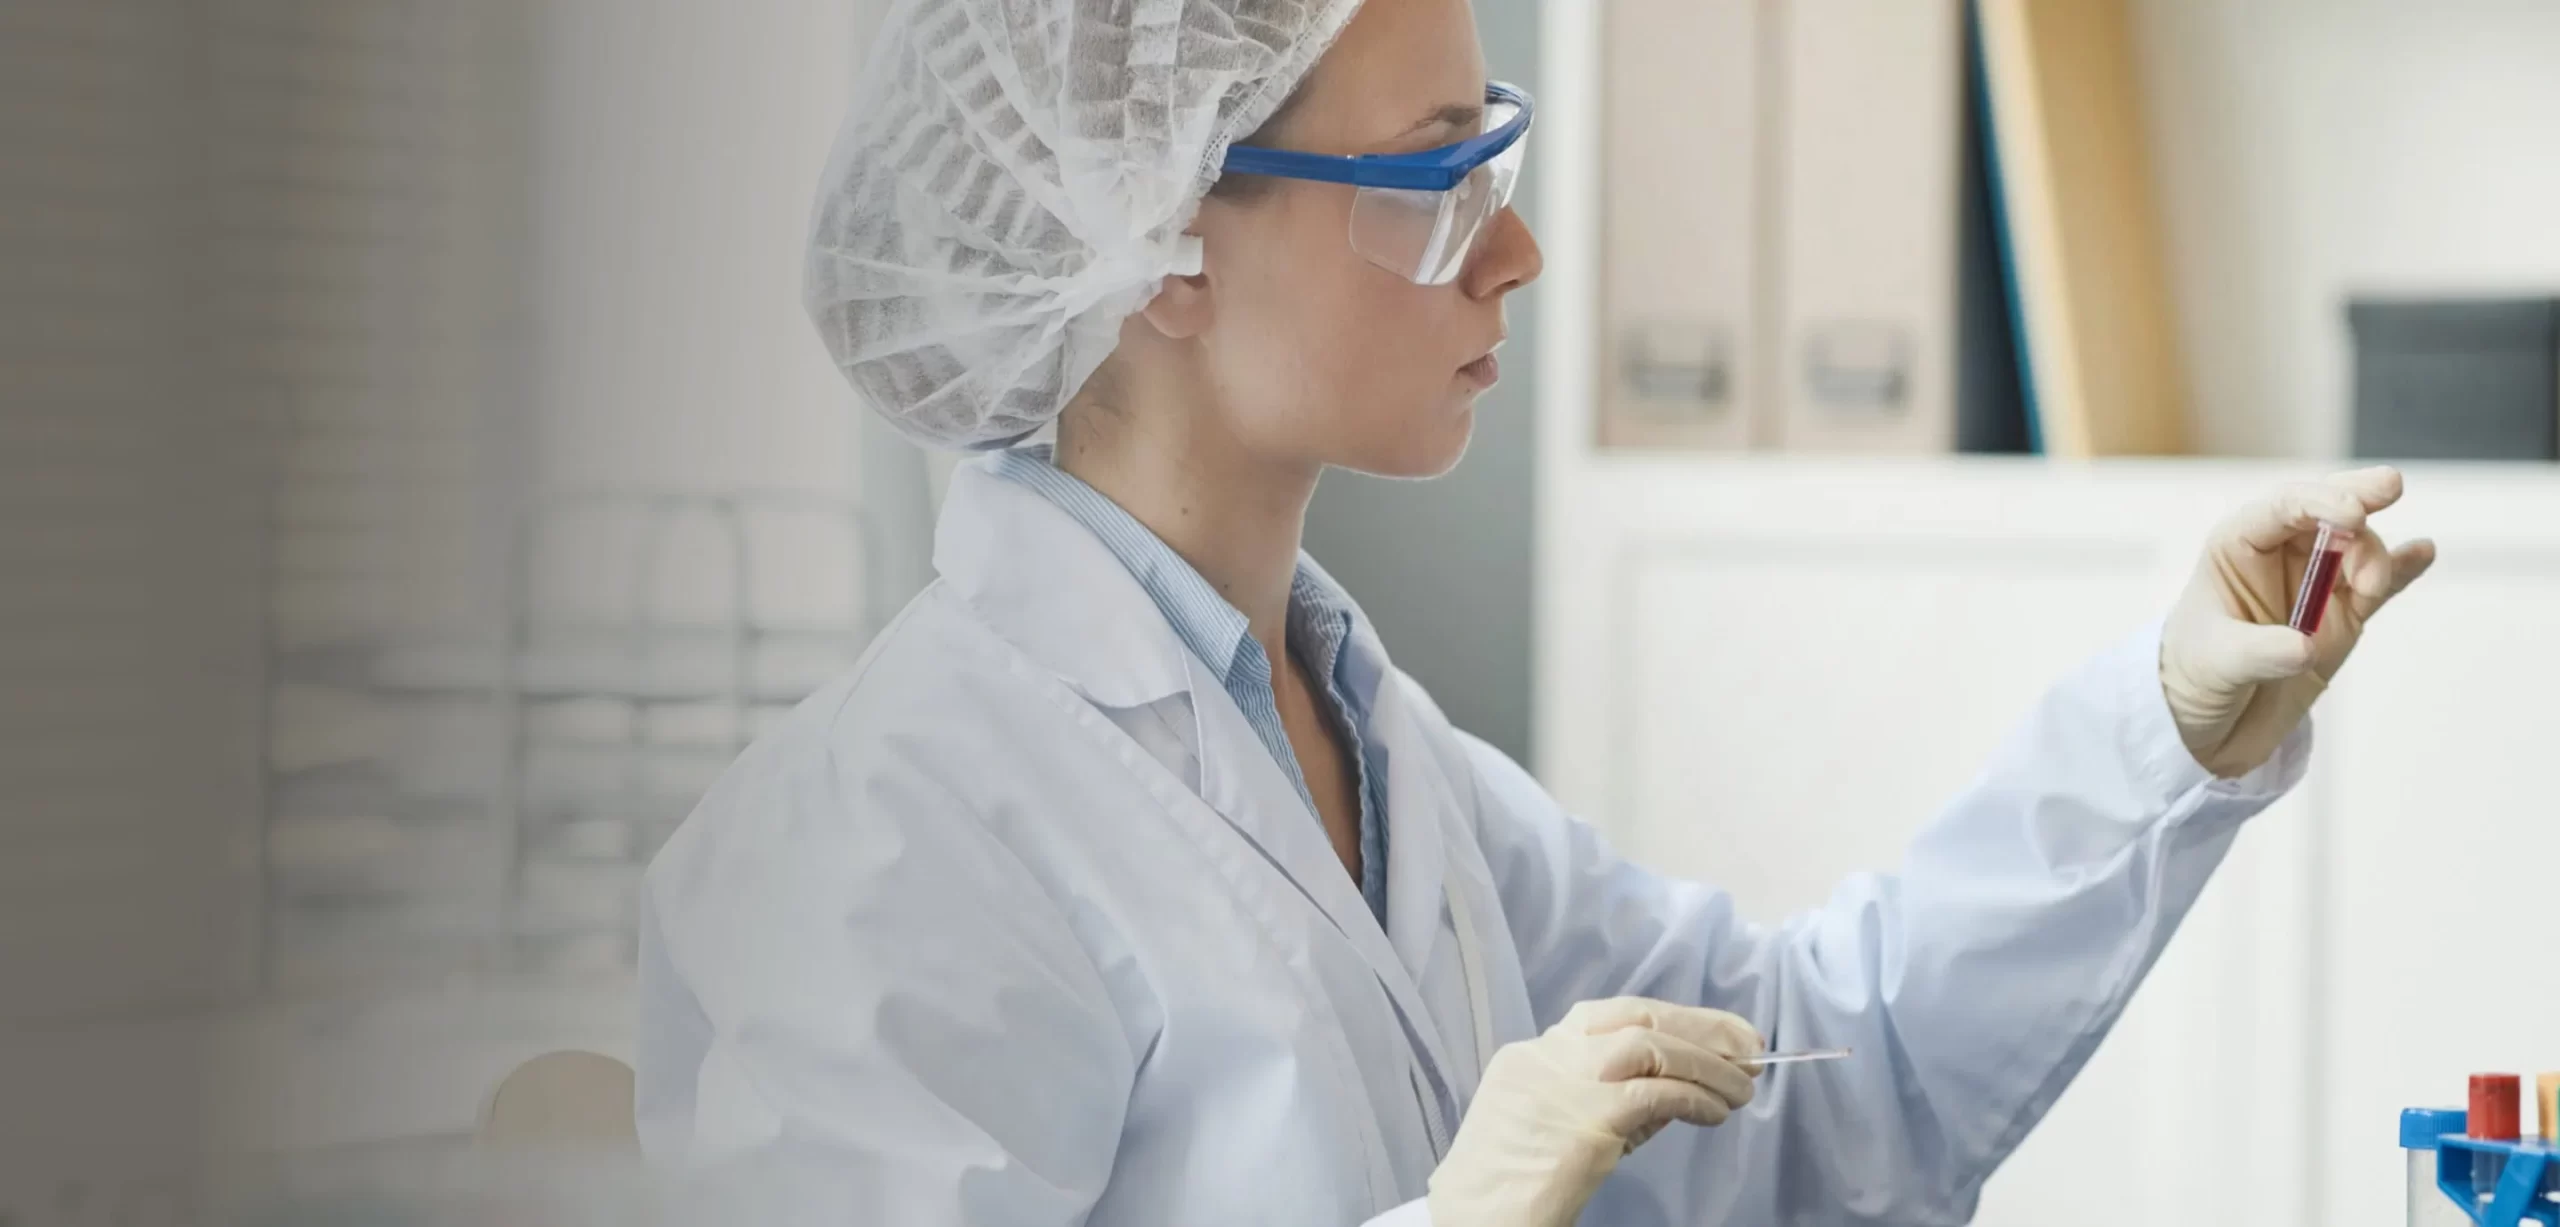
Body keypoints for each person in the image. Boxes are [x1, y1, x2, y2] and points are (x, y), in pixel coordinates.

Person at [632, 0, 2437, 1222]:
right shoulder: (884, 835)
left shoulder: (1371, 737)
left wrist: (2170, 731)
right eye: (1437, 180)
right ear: (1158, 236)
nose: (1515, 251)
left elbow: (1823, 1082)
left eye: (1492, 163)